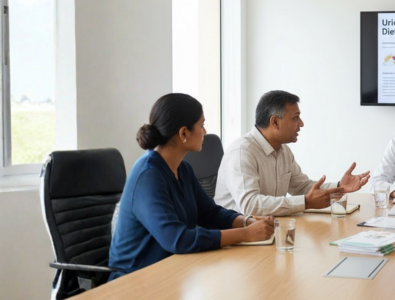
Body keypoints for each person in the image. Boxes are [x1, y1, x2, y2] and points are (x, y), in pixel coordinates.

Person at [109, 93, 274, 281]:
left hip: (171, 273)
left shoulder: (183, 168)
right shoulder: (148, 176)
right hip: (134, 282)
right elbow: (177, 239)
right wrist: (245, 234)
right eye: (201, 125)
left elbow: (210, 213)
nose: (205, 132)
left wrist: (247, 221)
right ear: (183, 133)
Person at [214, 90, 370, 216]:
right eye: (296, 118)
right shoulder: (242, 152)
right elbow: (250, 205)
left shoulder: (283, 150)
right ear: (274, 122)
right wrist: (305, 202)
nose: (301, 124)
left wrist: (340, 186)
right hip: (237, 237)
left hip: (268, 230)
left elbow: (302, 187)